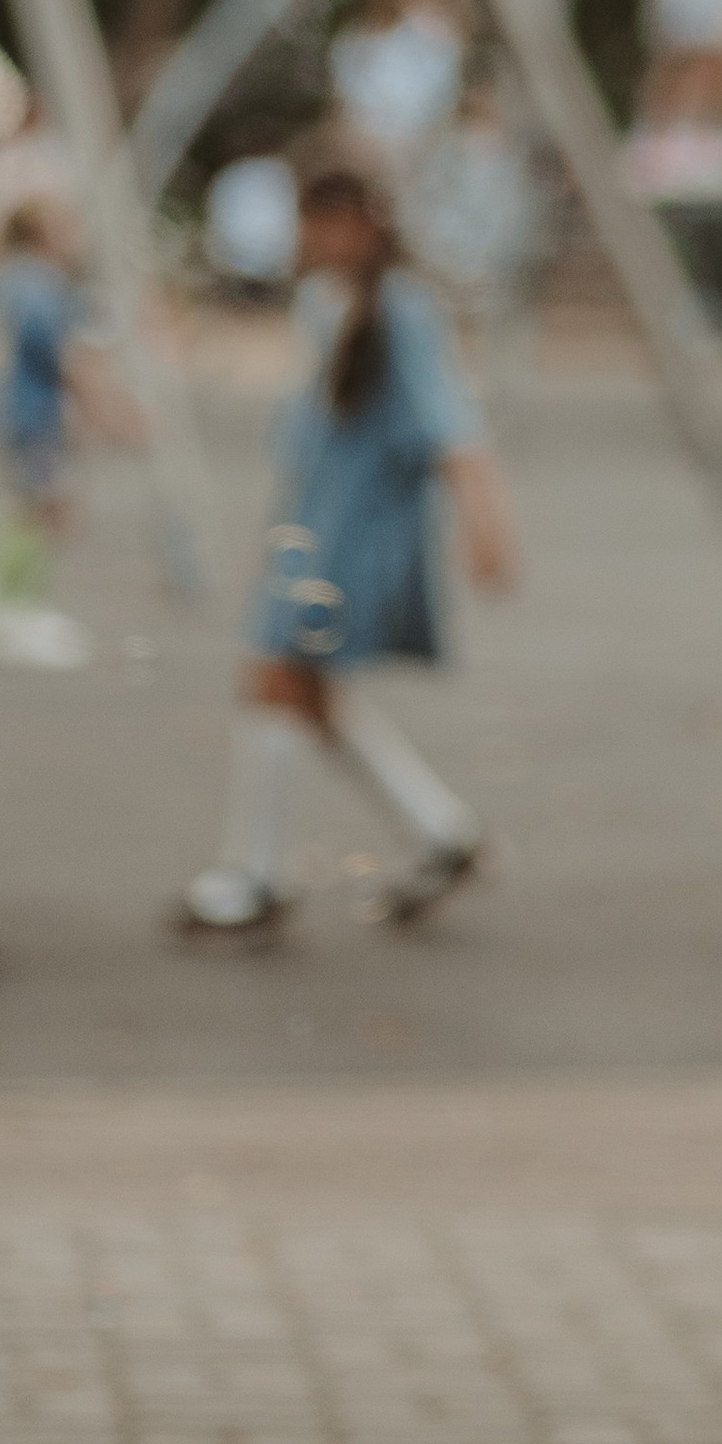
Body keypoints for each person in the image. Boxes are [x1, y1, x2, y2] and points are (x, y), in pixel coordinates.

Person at [180, 159, 523, 936]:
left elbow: (454, 430)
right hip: (317, 532)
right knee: (311, 696)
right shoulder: (326, 303)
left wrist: (487, 527)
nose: (310, 238)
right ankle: (442, 831)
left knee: (275, 681)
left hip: (359, 538)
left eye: (324, 220)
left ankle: (256, 876)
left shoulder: (400, 308)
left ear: (365, 225)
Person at [0, 198, 124, 555]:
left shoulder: (28, 278)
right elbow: (62, 356)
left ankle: (5, 573)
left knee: (42, 503)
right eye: (65, 226)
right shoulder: (36, 284)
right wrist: (106, 411)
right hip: (35, 414)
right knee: (48, 504)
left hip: (30, 411)